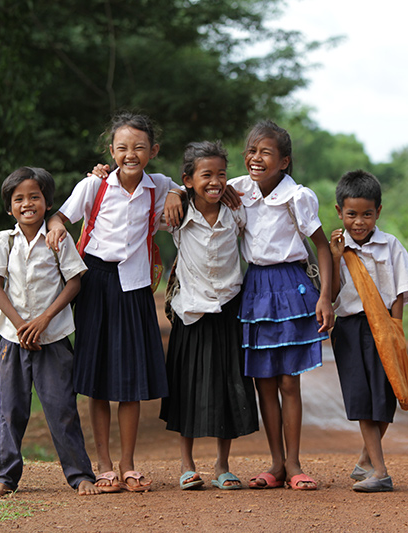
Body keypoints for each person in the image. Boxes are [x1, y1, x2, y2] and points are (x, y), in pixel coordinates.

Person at [46, 112, 179, 492]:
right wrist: (56, 229)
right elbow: (61, 217)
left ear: (153, 150)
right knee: (99, 378)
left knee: (132, 379)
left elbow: (187, 189)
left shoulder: (158, 187)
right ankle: (103, 464)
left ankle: (128, 464)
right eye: (122, 148)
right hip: (96, 283)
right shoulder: (95, 185)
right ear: (111, 151)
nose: (130, 154)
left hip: (135, 287)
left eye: (139, 147)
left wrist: (176, 192)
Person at [0, 166, 99, 498]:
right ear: (9, 207)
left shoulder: (58, 238)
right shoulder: (3, 241)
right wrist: (21, 326)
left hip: (54, 338)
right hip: (12, 339)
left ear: (47, 203)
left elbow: (74, 282)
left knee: (62, 408)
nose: (27, 203)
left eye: (35, 196)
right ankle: (6, 476)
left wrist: (44, 320)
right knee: (11, 409)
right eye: (19, 199)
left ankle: (79, 475)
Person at [230, 120, 334, 491]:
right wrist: (178, 194)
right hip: (255, 286)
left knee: (289, 382)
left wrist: (326, 297)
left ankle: (294, 463)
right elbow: (197, 186)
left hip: (291, 285)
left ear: (284, 161)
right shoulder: (237, 190)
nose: (256, 158)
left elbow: (321, 245)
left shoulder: (298, 197)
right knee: (264, 381)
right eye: (252, 151)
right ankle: (274, 463)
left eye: (266, 153)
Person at [159, 141, 258, 491]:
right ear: (188, 179)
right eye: (206, 175)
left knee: (227, 384)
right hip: (191, 311)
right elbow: (144, 194)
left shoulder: (236, 210)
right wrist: (173, 191)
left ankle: (222, 464)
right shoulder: (177, 213)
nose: (215, 181)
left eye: (221, 174)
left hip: (229, 308)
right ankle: (186, 465)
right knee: (187, 385)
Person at [328, 169, 408, 493]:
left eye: (367, 214)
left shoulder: (390, 246)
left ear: (378, 212)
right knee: (362, 399)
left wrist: (395, 330)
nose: (359, 222)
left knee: (385, 398)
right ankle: (380, 471)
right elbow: (332, 294)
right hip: (350, 330)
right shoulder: (336, 250)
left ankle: (367, 460)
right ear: (339, 211)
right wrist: (337, 258)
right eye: (351, 214)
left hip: (384, 329)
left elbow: (400, 291)